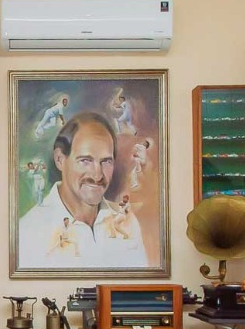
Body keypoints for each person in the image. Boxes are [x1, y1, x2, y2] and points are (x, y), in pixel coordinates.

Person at [16, 112, 147, 269]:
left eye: (106, 161)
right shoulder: (28, 233)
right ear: (60, 159)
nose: (97, 175)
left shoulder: (127, 222)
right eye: (85, 160)